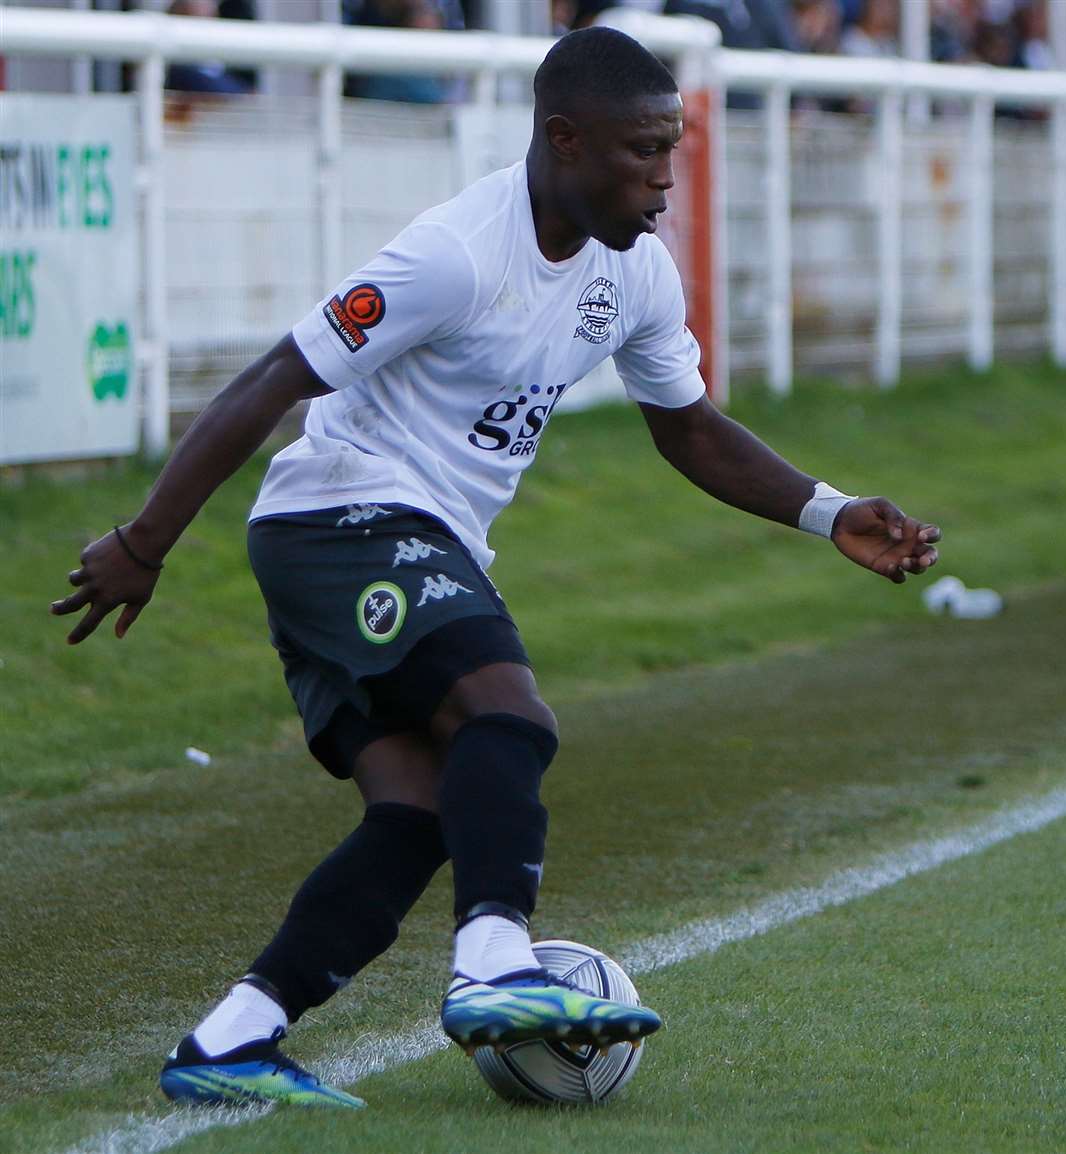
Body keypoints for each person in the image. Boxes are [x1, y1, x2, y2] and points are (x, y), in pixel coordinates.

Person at [50, 26, 941, 1109]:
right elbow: (277, 375)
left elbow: (691, 429)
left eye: (673, 147)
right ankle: (494, 966)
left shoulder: (637, 272)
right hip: (337, 514)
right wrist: (144, 542)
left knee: (423, 809)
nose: (665, 174)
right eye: (643, 150)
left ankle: (233, 1036)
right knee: (505, 713)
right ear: (565, 141)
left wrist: (829, 510)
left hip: (418, 539)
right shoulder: (455, 252)